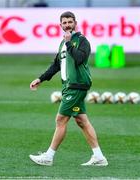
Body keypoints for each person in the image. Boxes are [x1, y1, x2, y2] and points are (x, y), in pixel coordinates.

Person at [29, 11, 108, 166]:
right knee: (81, 120)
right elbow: (56, 65)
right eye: (64, 23)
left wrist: (69, 43)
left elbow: (79, 59)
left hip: (77, 85)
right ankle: (99, 157)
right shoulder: (63, 43)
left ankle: (48, 156)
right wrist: (41, 78)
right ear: (60, 25)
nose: (67, 25)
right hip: (68, 86)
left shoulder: (81, 41)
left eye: (70, 22)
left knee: (61, 119)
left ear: (75, 23)